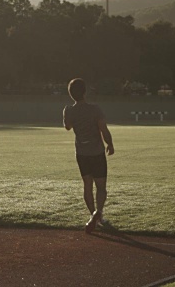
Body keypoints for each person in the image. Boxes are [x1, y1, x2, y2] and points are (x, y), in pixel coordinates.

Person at [63, 78, 114, 233]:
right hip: (97, 152)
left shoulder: (69, 110)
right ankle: (98, 214)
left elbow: (67, 127)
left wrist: (67, 115)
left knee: (87, 185)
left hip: (82, 153)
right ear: (85, 92)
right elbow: (103, 129)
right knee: (101, 187)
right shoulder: (95, 109)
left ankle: (93, 214)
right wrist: (110, 144)